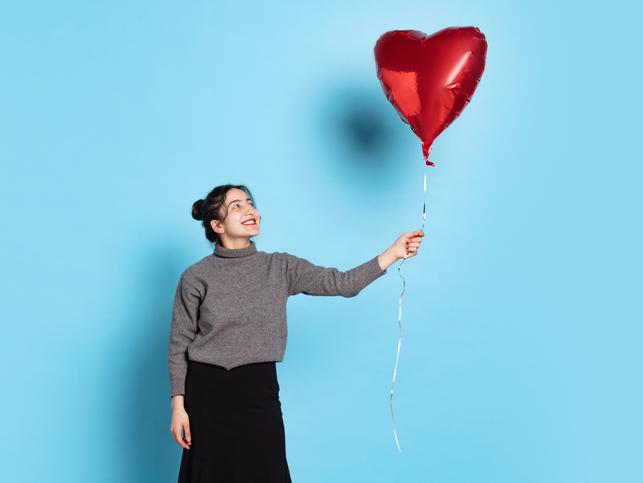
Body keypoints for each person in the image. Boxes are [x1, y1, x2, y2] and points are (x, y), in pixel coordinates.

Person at [168, 184, 424, 482]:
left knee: (267, 473)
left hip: (257, 389)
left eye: (250, 203)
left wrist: (392, 253)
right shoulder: (196, 276)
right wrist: (178, 406)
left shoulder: (280, 267)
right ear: (217, 224)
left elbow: (343, 284)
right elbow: (179, 344)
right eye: (236, 205)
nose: (250, 210)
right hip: (207, 394)